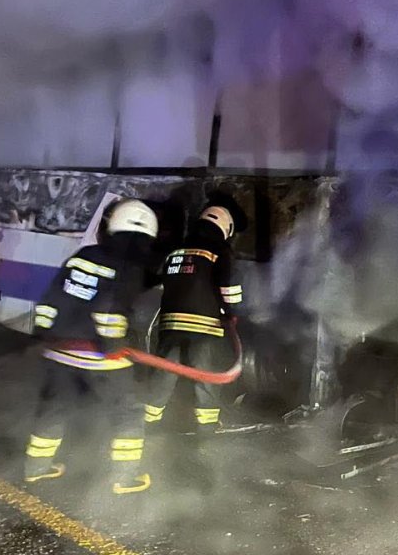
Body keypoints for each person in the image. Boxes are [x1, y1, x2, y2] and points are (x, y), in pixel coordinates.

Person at [24, 198, 158, 496]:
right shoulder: (129, 267)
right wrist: (112, 345)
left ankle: (36, 468)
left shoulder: (83, 255)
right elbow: (109, 309)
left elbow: (51, 299)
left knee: (54, 408)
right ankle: (124, 477)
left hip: (59, 351)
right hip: (98, 356)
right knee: (128, 412)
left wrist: (42, 331)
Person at [143, 203, 242, 433]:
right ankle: (206, 427)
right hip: (205, 327)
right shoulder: (221, 250)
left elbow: (161, 278)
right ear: (225, 227)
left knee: (163, 372)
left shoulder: (177, 249)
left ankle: (149, 421)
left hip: (169, 325)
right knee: (205, 373)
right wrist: (233, 312)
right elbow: (229, 288)